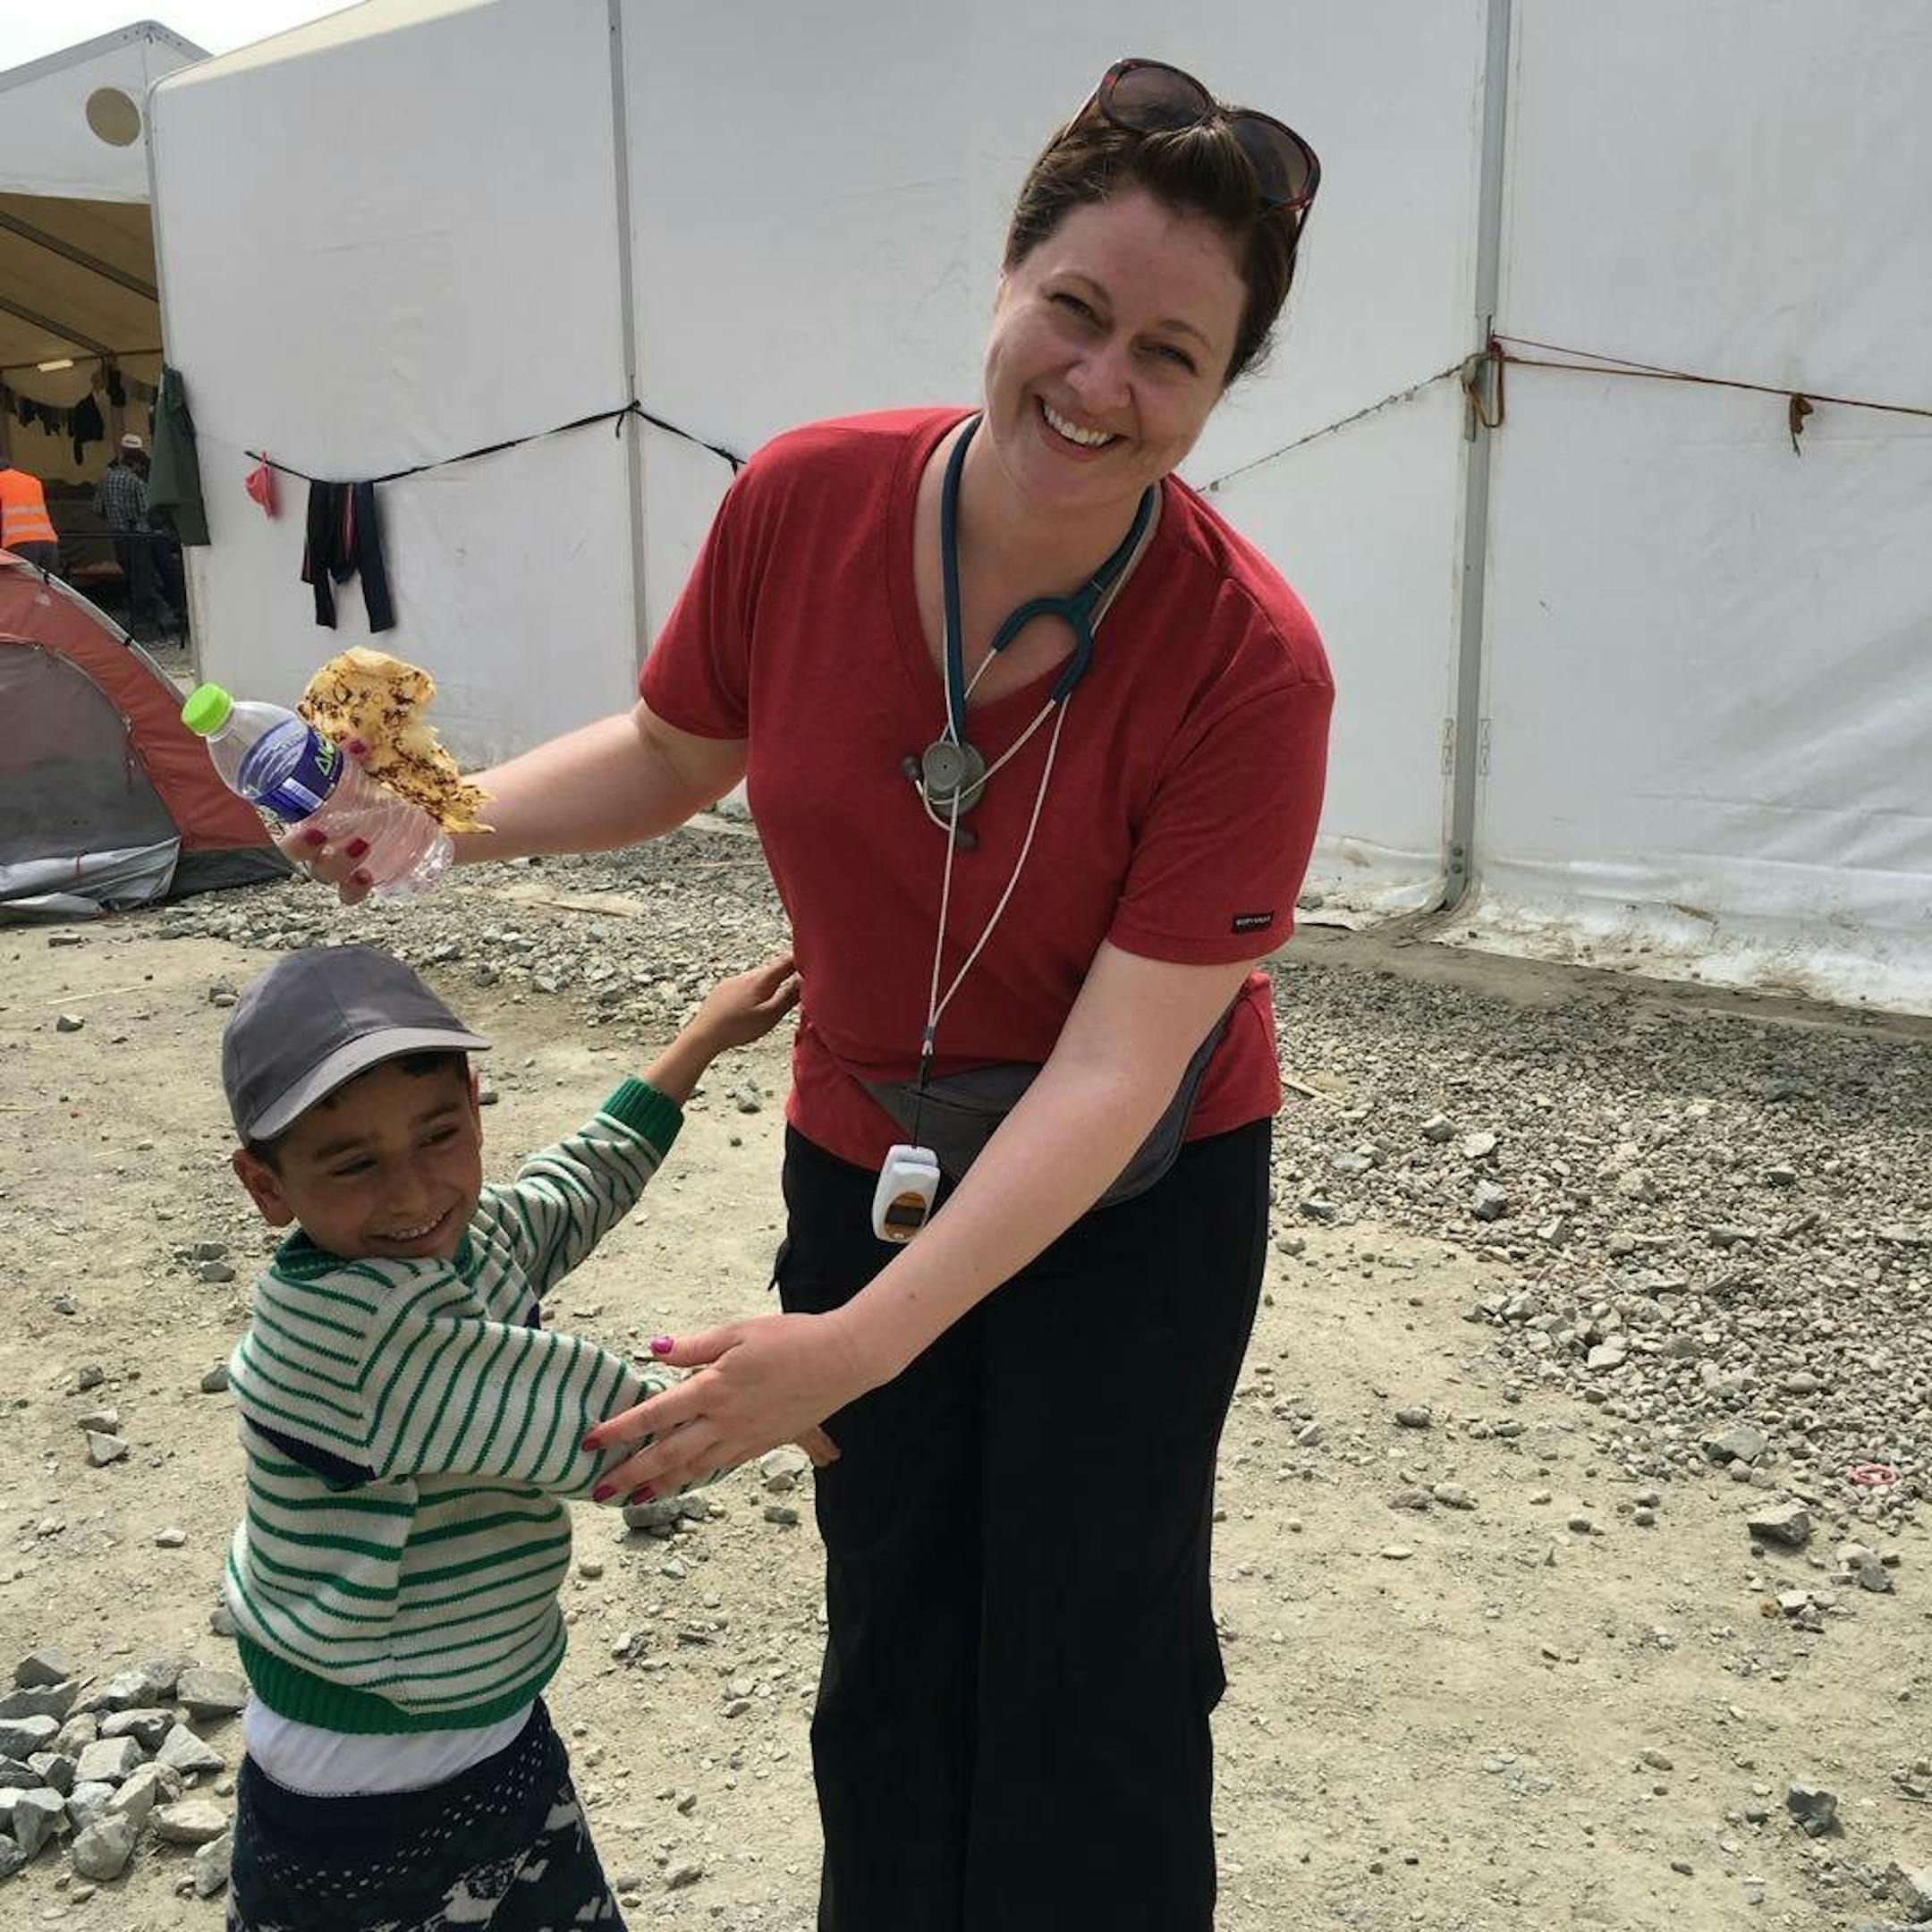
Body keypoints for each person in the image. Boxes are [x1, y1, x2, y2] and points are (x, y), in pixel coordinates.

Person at [298, 56, 1334, 1930]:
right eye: (1077, 312)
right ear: (1007, 282)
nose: (1101, 386)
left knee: (1094, 1645)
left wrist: (854, 1345)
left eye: (1171, 356)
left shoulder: (1253, 665)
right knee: (896, 1623)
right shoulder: (807, 499)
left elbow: (1112, 1077)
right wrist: (438, 825)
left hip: (1140, 1201)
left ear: (1219, 390)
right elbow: (671, 748)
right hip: (865, 1146)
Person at [216, 942, 809, 1931]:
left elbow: (561, 1198)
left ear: (475, 1106)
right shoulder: (359, 1345)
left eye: (440, 1137)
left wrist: (696, 1043)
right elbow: (617, 1435)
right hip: (374, 1797)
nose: (413, 1195)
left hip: (480, 1729)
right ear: (266, 1185)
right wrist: (824, 1387)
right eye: (354, 1163)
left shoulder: (444, 1241)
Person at [94, 432, 184, 632]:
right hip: (141, 535)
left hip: (118, 535)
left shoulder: (105, 478)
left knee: (130, 576)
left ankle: (138, 616)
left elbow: (97, 509)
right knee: (144, 578)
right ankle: (154, 616)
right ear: (137, 462)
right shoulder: (137, 481)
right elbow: (147, 510)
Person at [0, 461, 61, 574]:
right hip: (48, 543)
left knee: (21, 588)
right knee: (47, 588)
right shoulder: (32, 481)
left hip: (19, 544)